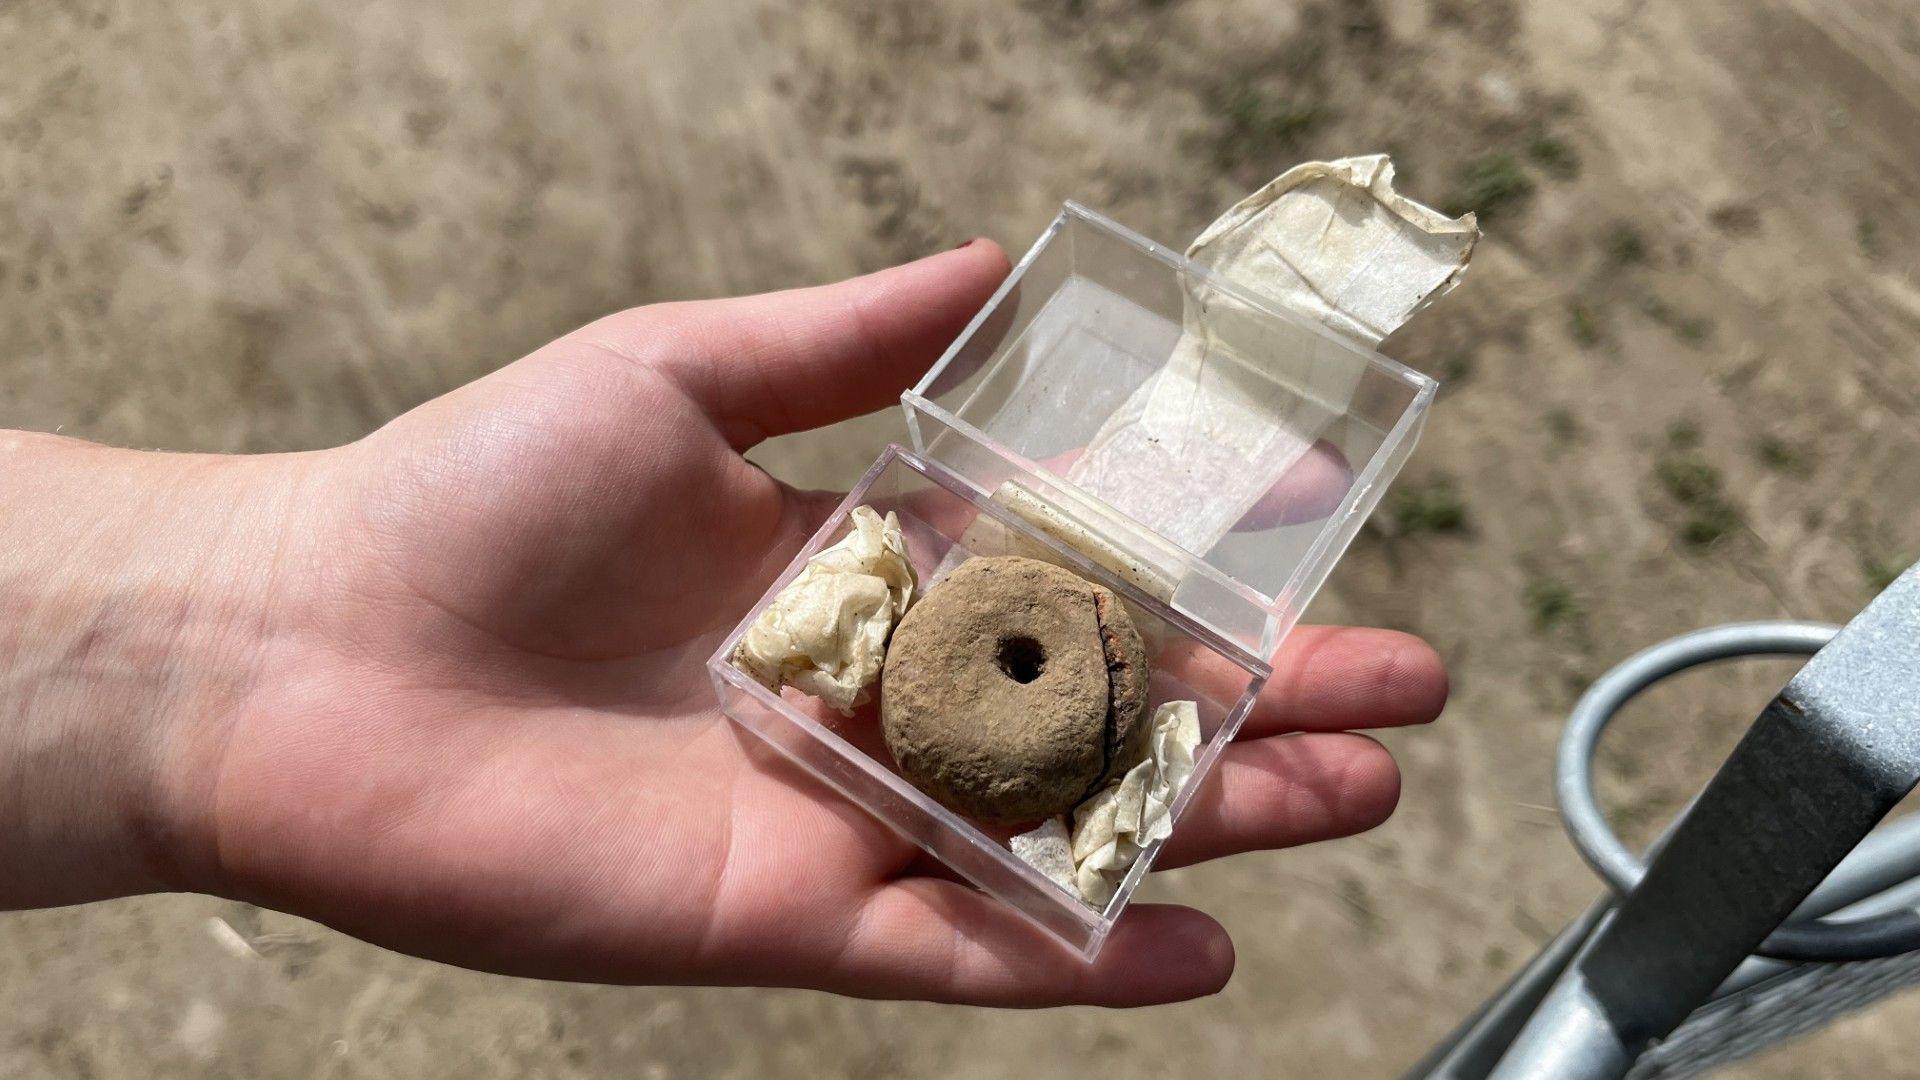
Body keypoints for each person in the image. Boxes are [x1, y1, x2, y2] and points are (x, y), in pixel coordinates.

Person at [0, 239, 1446, 1006]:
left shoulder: (1055, 643)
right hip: (990, 669)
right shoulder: (944, 629)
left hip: (1046, 671)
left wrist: (215, 641)